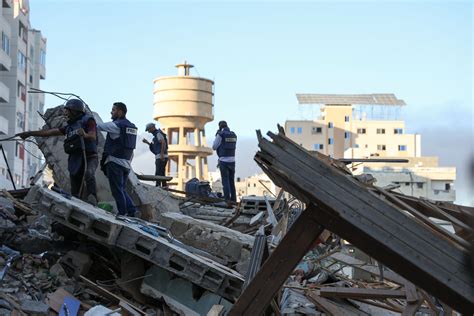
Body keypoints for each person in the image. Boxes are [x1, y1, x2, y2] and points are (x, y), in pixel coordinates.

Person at [16, 99, 98, 203]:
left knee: (89, 174)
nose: (66, 113)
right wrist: (30, 133)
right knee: (75, 185)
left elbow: (93, 135)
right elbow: (49, 132)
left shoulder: (88, 120)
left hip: (89, 157)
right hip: (75, 159)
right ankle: (76, 202)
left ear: (75, 110)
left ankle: (93, 199)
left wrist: (85, 134)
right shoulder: (68, 127)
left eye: (68, 111)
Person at [97, 102, 138, 217]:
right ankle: (132, 211)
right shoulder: (131, 126)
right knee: (122, 190)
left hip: (115, 163)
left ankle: (122, 214)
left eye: (113, 110)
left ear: (120, 112)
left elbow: (98, 126)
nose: (111, 112)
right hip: (126, 164)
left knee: (117, 191)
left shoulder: (116, 125)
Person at [212, 120, 237, 203]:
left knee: (225, 182)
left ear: (220, 126)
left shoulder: (220, 135)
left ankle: (227, 201)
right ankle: (234, 200)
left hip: (224, 162)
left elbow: (214, 147)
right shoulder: (233, 135)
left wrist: (217, 135)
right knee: (231, 182)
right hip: (232, 161)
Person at [142, 122, 168, 187]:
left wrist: (162, 154)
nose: (148, 131)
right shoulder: (156, 135)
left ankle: (158, 186)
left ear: (152, 128)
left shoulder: (158, 133)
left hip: (160, 156)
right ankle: (164, 186)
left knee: (158, 172)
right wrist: (147, 142)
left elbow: (163, 142)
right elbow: (155, 146)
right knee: (162, 172)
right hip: (160, 156)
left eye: (149, 130)